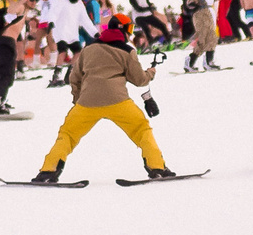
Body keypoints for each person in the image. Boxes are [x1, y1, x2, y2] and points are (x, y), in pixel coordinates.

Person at [30, 15, 174, 182]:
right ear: (123, 29)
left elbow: (74, 78)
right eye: (130, 29)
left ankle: (48, 171)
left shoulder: (88, 49)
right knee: (142, 130)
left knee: (68, 134)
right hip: (118, 102)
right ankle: (157, 167)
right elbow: (139, 80)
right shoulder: (127, 51)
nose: (131, 34)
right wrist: (151, 73)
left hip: (86, 103)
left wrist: (78, 100)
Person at [179, 0, 221, 72]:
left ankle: (208, 61)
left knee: (212, 37)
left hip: (209, 12)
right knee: (203, 38)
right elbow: (191, 1)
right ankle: (191, 61)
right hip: (200, 14)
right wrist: (195, 3)